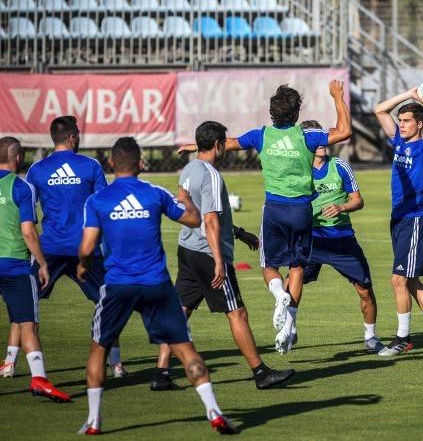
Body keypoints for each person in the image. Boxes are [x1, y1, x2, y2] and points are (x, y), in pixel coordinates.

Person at [178, 80, 351, 355]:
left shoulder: (262, 135)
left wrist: (195, 145)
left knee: (269, 266)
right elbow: (344, 131)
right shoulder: (307, 137)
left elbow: (230, 143)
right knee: (296, 268)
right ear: (296, 113)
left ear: (272, 112)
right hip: (302, 210)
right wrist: (338, 97)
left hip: (274, 209)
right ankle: (289, 325)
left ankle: (279, 294)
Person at [77, 137, 235, 435]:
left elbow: (86, 248)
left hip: (117, 285)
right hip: (157, 285)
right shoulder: (155, 193)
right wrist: (187, 202)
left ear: (111, 164)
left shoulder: (97, 200)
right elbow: (192, 220)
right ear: (141, 164)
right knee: (185, 350)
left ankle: (95, 420)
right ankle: (213, 411)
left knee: (99, 348)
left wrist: (83, 266)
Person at [152, 121, 295, 391]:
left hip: (188, 250)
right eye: (224, 145)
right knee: (237, 313)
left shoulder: (189, 168)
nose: (226, 149)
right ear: (218, 145)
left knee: (180, 312)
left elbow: (193, 206)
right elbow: (210, 220)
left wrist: (240, 233)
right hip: (208, 254)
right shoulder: (212, 175)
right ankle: (261, 373)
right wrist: (219, 260)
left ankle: (161, 373)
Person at [2, 116, 127, 379]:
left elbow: (25, 210)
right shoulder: (90, 165)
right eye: (78, 133)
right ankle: (115, 363)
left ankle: (9, 363)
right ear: (72, 138)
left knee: (24, 303)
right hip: (86, 249)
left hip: (50, 248)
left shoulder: (37, 170)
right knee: (108, 303)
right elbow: (104, 206)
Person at [373, 86, 423, 357]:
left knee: (398, 280)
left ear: (419, 124)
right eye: (401, 121)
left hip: (414, 221)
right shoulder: (398, 140)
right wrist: (410, 94)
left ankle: (402, 339)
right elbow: (379, 110)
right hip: (398, 220)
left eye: (407, 121)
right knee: (409, 281)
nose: (402, 124)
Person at [290, 119, 384, 352]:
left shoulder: (340, 166)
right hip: (312, 239)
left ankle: (370, 336)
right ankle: (288, 328)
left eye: (323, 137)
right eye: (316, 139)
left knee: (365, 291)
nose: (323, 142)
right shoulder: (298, 170)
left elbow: (358, 201)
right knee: (291, 283)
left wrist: (341, 207)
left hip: (342, 239)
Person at [0, 136, 71, 403]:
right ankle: (39, 380)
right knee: (28, 323)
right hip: (16, 266)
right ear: (18, 158)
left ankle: (10, 365)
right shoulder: (21, 187)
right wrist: (42, 262)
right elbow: (28, 231)